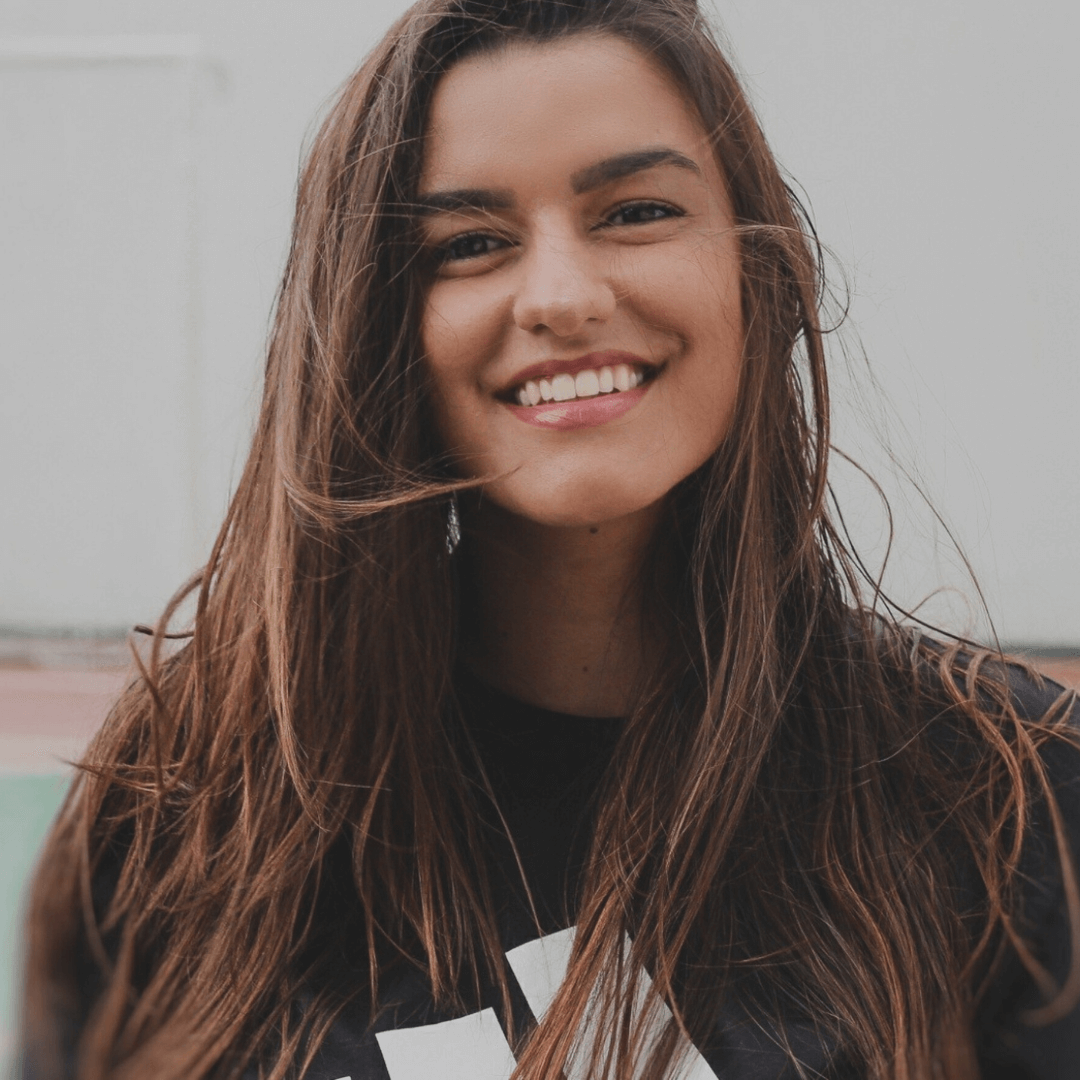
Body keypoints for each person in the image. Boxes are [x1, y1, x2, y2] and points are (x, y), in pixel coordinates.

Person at [20, 1, 1080, 1077]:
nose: (563, 297)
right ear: (375, 320)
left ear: (757, 265)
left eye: (637, 212)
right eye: (471, 243)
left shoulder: (1012, 798)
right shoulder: (185, 806)